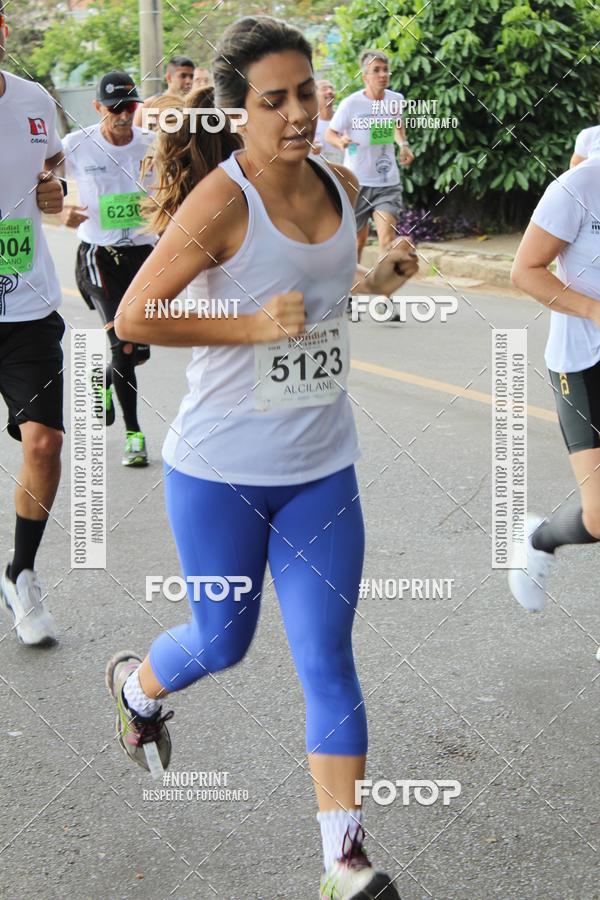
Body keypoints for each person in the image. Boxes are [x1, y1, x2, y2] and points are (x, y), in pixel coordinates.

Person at [105, 15, 417, 899]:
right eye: (274, 100)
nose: (298, 113)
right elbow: (134, 317)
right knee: (222, 642)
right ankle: (137, 689)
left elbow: (326, 295)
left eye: (307, 93)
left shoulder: (341, 182)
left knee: (329, 659)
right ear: (237, 112)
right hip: (220, 473)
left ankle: (343, 861)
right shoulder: (222, 200)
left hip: (323, 468)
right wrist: (248, 326)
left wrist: (376, 280)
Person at [509, 155, 600, 635]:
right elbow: (525, 270)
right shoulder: (580, 186)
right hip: (583, 362)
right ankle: (539, 540)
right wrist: (594, 309)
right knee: (599, 516)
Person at [0, 0, 67, 645]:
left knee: (44, 444)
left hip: (27, 305)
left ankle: (20, 572)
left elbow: (53, 166)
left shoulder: (33, 100)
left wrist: (53, 188)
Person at [61, 71, 156, 466]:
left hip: (144, 255)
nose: (123, 115)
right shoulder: (76, 144)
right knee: (124, 343)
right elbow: (38, 178)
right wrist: (59, 206)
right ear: (98, 107)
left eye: (129, 107)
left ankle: (101, 377)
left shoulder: (153, 144)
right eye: (115, 108)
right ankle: (134, 435)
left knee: (138, 353)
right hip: (98, 256)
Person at [326, 49, 414, 261]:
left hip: (387, 182)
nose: (383, 74)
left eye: (385, 70)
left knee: (386, 240)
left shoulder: (396, 99)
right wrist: (341, 142)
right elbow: (330, 133)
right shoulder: (351, 104)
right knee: (357, 242)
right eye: (376, 70)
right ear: (365, 76)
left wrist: (403, 144)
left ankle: (381, 283)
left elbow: (396, 126)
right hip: (357, 183)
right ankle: (353, 279)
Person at [133, 55, 195, 128]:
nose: (188, 81)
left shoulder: (195, 106)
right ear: (169, 78)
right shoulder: (149, 105)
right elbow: (136, 133)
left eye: (191, 76)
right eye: (183, 76)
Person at [313, 79, 343, 164]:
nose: (330, 91)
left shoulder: (343, 120)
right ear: (315, 95)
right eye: (324, 89)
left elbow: (354, 149)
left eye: (331, 88)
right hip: (320, 170)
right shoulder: (310, 124)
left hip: (343, 170)